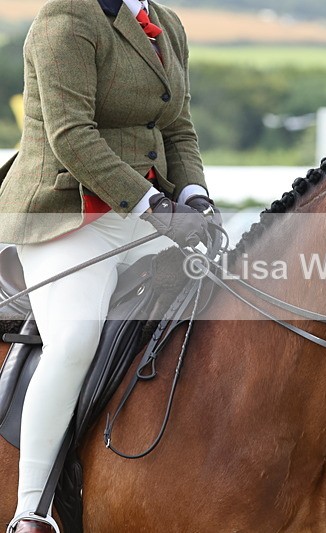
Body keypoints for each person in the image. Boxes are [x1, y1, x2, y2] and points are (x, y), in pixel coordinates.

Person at [0, 1, 218, 531]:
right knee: (75, 338)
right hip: (67, 214)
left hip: (147, 214)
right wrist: (151, 205)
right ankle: (31, 510)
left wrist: (193, 196)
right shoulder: (65, 22)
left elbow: (178, 129)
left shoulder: (165, 24)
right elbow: (70, 134)